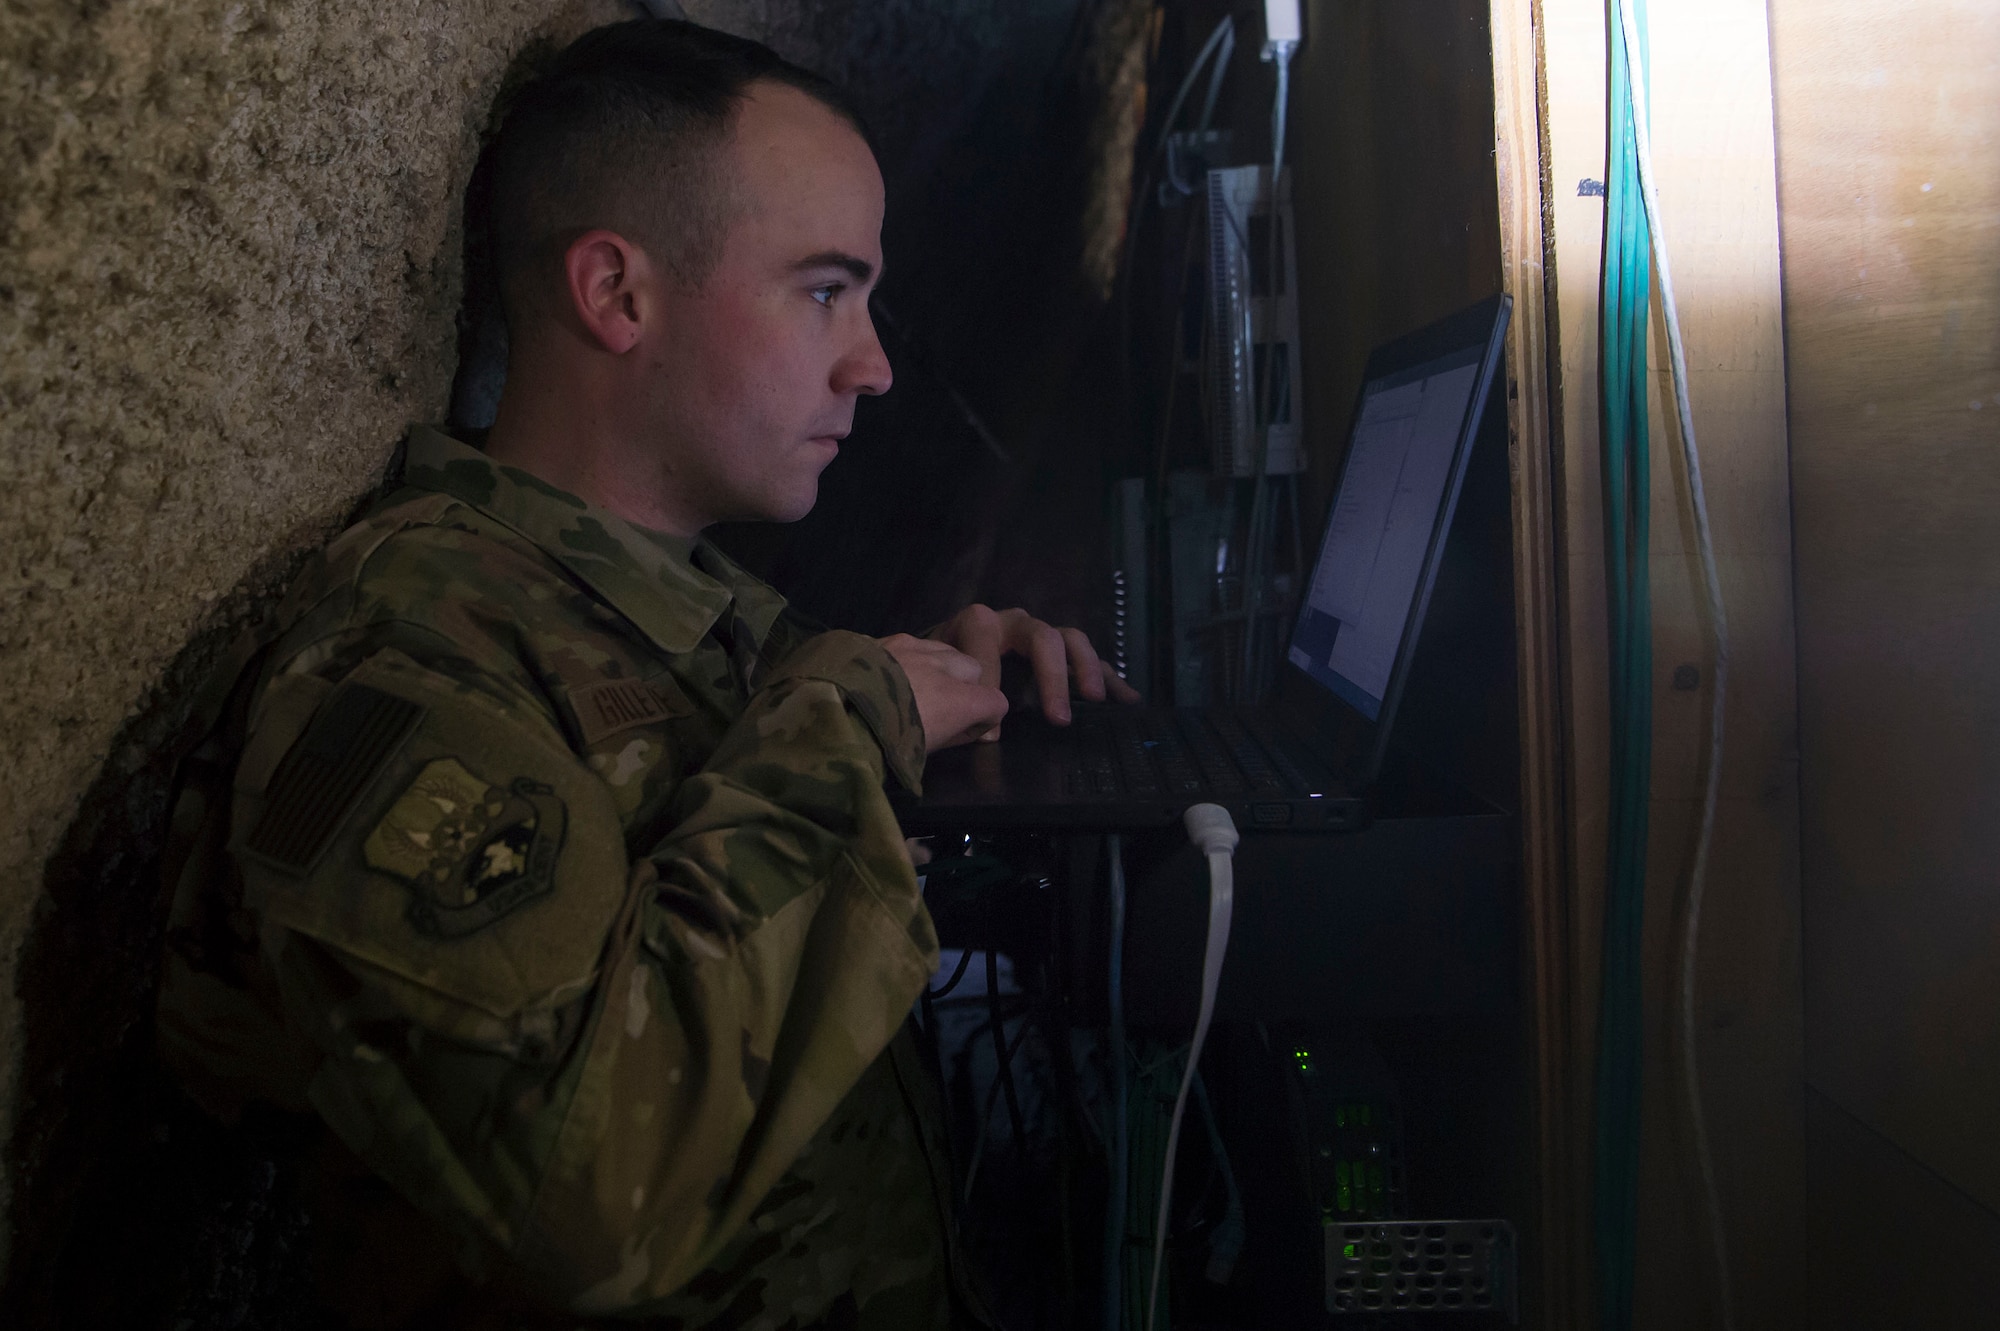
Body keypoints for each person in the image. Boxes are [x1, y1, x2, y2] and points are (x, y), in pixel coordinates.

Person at [155, 18, 1135, 1330]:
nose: (875, 363)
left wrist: (949, 683)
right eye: (824, 291)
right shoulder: (403, 663)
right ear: (616, 294)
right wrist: (852, 716)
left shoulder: (692, 617)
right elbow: (594, 1192)